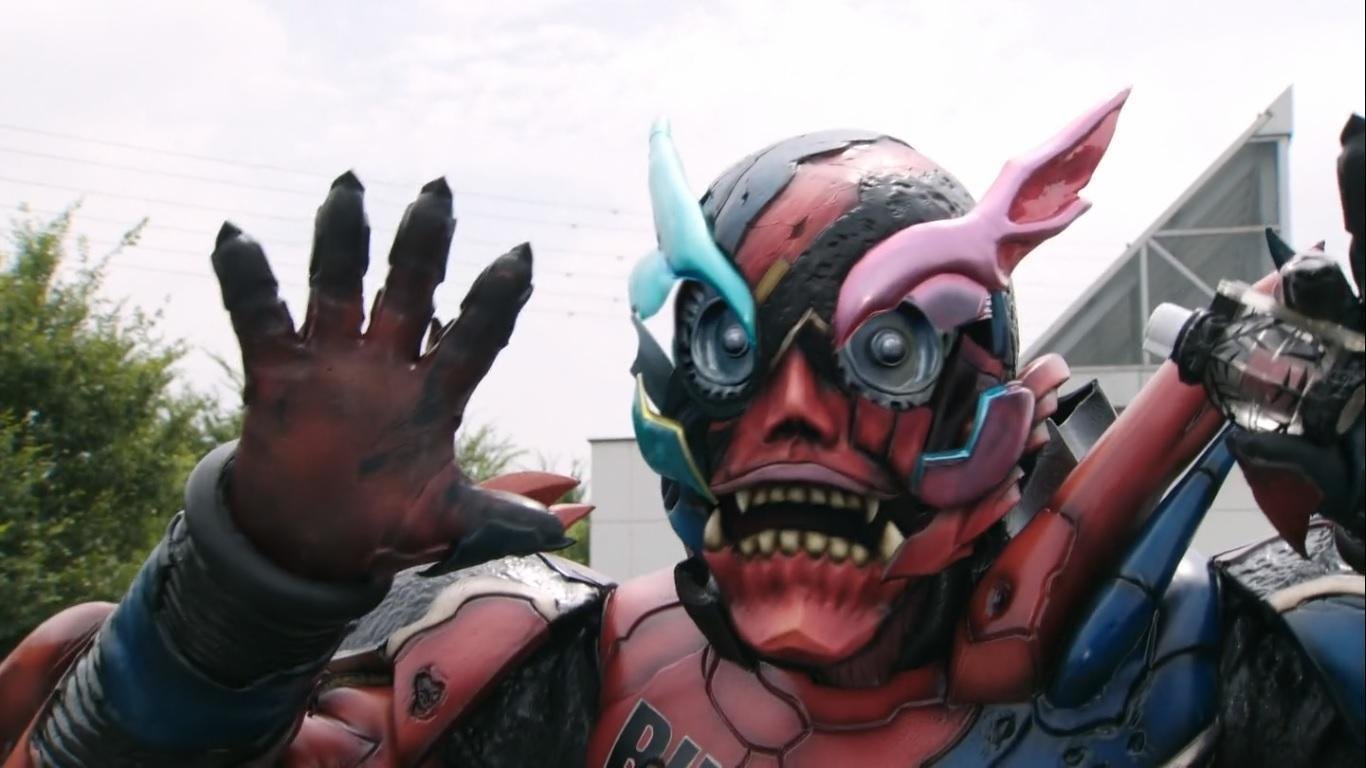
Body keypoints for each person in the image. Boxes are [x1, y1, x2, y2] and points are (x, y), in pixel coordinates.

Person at [1, 93, 1361, 767]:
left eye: (887, 353)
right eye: (728, 346)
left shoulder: (1219, 663)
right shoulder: (535, 669)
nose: (790, 413)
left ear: (998, 391)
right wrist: (248, 589)